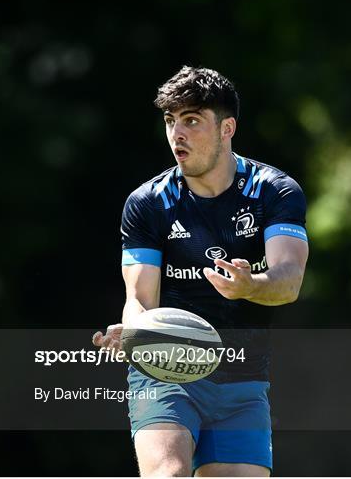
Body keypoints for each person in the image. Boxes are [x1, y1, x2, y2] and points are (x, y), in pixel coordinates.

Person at [93, 66, 309, 477]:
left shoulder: (274, 191)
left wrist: (250, 285)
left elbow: (289, 280)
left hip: (242, 377)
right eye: (171, 121)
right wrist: (135, 332)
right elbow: (139, 298)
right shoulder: (148, 202)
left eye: (191, 120)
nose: (178, 133)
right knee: (167, 473)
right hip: (165, 368)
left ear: (227, 128)